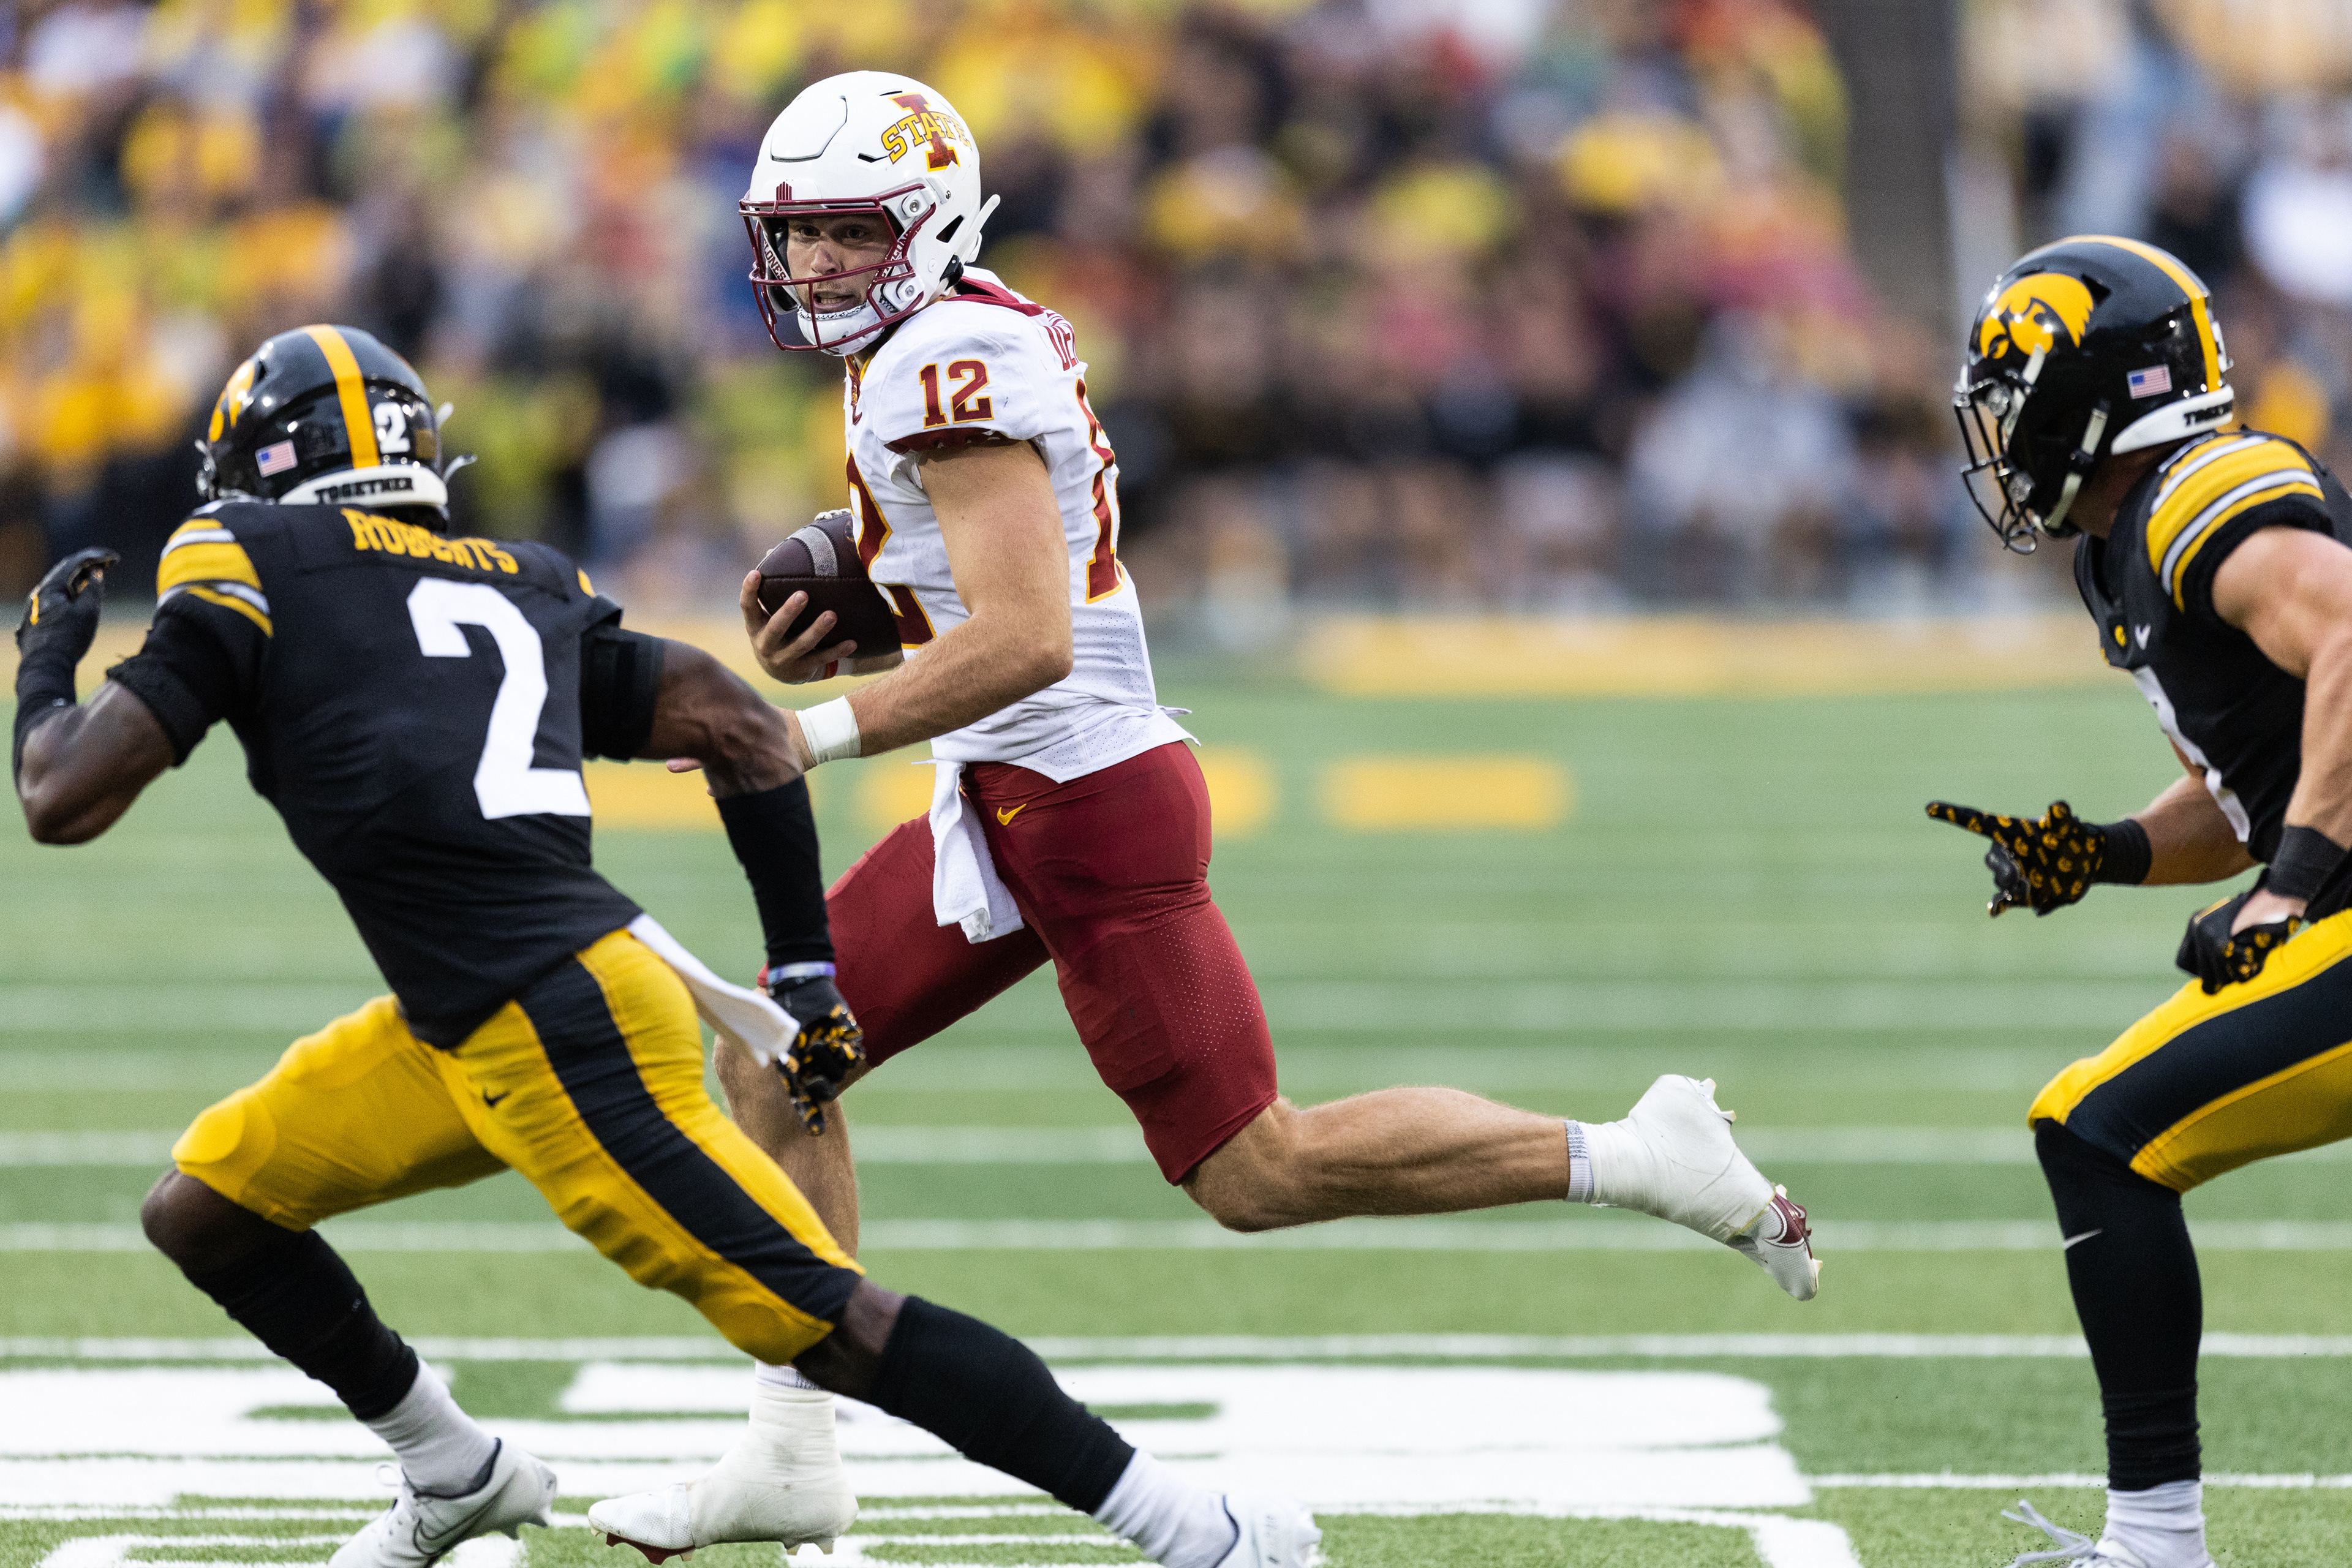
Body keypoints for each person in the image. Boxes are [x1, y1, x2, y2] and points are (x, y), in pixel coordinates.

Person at [589, 70, 1818, 1559]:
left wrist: (801, 730)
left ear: (921, 225)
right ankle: (793, 1447)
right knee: (780, 1056)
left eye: (847, 233)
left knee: (1258, 1169)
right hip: (1014, 788)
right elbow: (990, 582)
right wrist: (871, 596)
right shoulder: (943, 336)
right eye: (798, 236)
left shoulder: (945, 356)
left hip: (1085, 800)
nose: (813, 267)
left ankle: (1637, 1152)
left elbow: (1034, 630)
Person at [13, 325, 1317, 1568]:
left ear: (265, 466)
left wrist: (44, 666)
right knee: (211, 1205)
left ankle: (1187, 1523)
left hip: (555, 1024)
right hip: (465, 1015)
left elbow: (61, 798)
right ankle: (452, 1465)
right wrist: (801, 961)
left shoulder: (244, 553)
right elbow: (744, 728)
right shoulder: (518, 577)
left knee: (833, 1324)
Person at [1931, 235, 2352, 1568]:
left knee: (2098, 1130)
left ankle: (2156, 1541)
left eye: (2019, 392)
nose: (2003, 428)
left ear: (2096, 390)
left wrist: (2292, 887)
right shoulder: (2125, 548)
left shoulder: (2206, 488)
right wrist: (2103, 850)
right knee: (2101, 1126)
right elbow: (2254, 793)